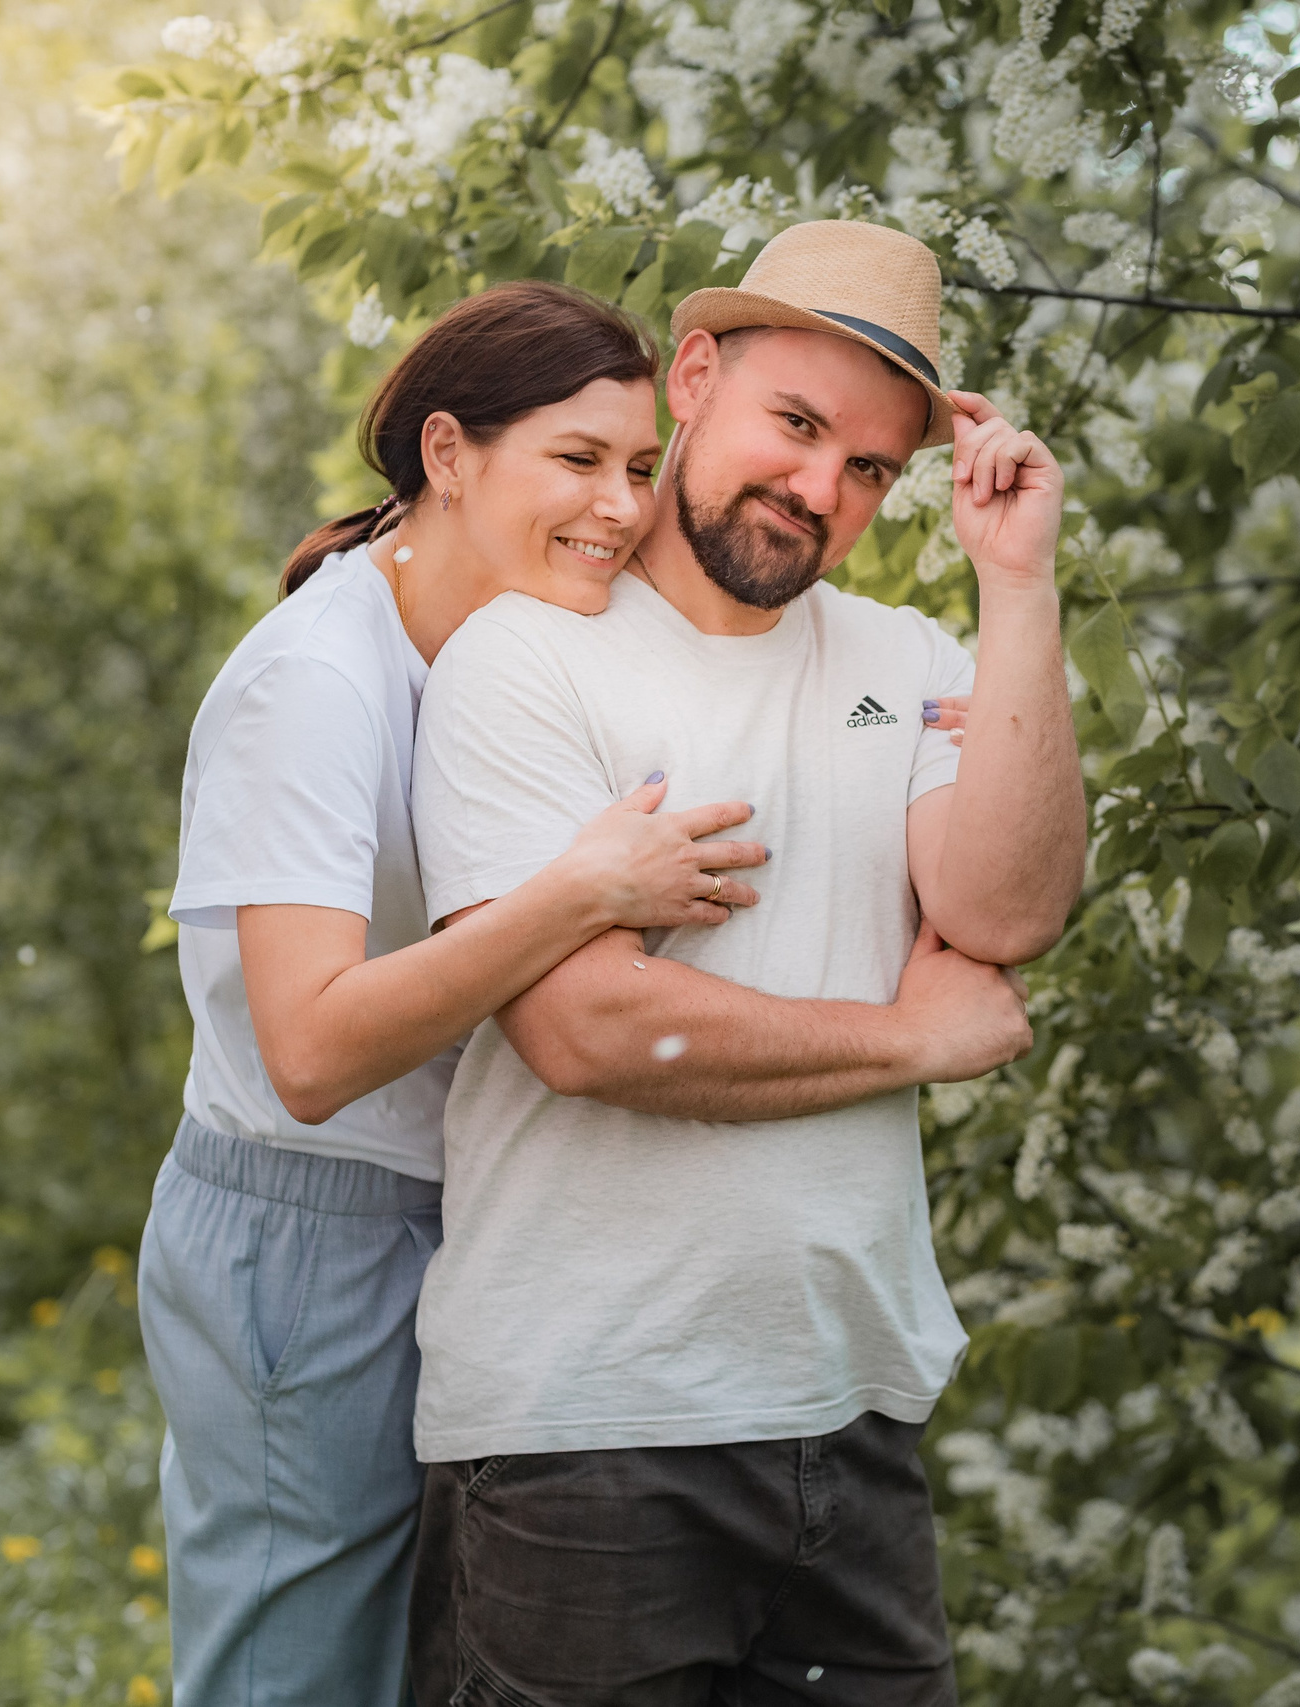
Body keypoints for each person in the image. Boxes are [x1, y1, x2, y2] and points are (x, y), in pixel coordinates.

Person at [405, 220, 1087, 1706]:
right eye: (796, 424)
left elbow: (1011, 911)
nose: (819, 489)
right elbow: (588, 1031)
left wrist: (1018, 587)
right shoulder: (528, 659)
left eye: (869, 469)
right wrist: (910, 1038)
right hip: (586, 1431)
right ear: (694, 379)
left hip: (849, 1424)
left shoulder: (906, 659)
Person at [136, 282, 777, 1707]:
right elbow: (307, 1050)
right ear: (446, 453)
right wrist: (582, 893)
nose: (620, 507)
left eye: (636, 466)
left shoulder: (496, 658)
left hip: (450, 1230)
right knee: (292, 1683)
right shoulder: (315, 681)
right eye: (577, 460)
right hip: (308, 1243)